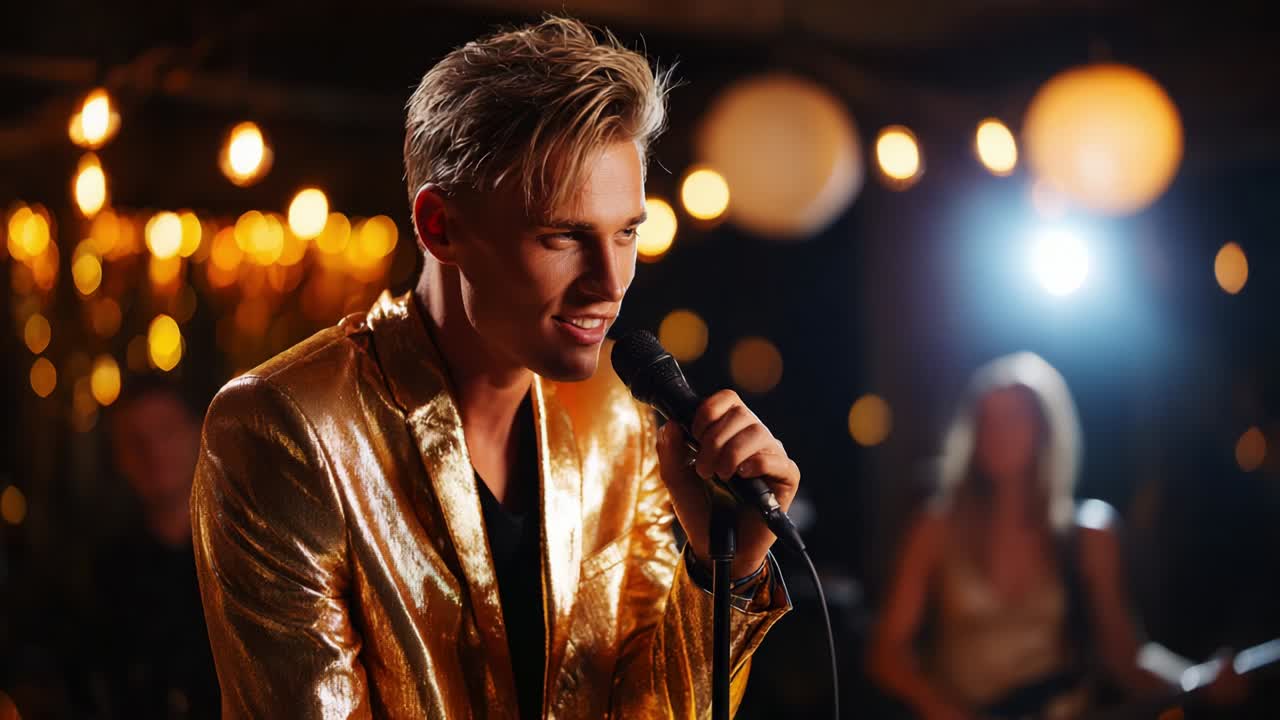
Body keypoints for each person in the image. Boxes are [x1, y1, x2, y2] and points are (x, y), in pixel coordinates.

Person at [191, 15, 798, 719]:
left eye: (627, 232)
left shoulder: (618, 413)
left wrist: (727, 571)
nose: (610, 283)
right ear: (440, 227)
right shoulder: (284, 427)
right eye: (562, 236)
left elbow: (644, 708)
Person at [866, 352, 1244, 720]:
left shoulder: (1086, 536)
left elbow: (1125, 657)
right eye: (987, 420)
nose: (998, 433)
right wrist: (942, 711)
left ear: (1045, 428)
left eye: (1013, 418)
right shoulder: (936, 528)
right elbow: (887, 651)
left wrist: (1197, 680)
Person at [94, 375, 220, 718]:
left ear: (197, 432)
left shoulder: (242, 556)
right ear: (120, 456)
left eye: (166, 432)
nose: (154, 452)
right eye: (136, 441)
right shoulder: (108, 573)